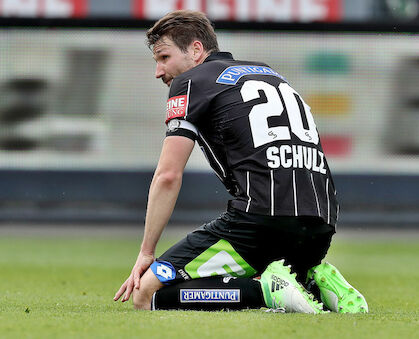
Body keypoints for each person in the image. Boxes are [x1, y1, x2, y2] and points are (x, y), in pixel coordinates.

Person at [113, 10, 368, 314]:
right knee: (252, 275)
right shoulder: (271, 73)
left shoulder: (192, 81)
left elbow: (168, 175)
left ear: (196, 50)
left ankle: (265, 292)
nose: (159, 71)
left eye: (164, 57)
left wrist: (147, 252)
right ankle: (311, 280)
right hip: (321, 224)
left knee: (147, 293)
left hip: (260, 220)